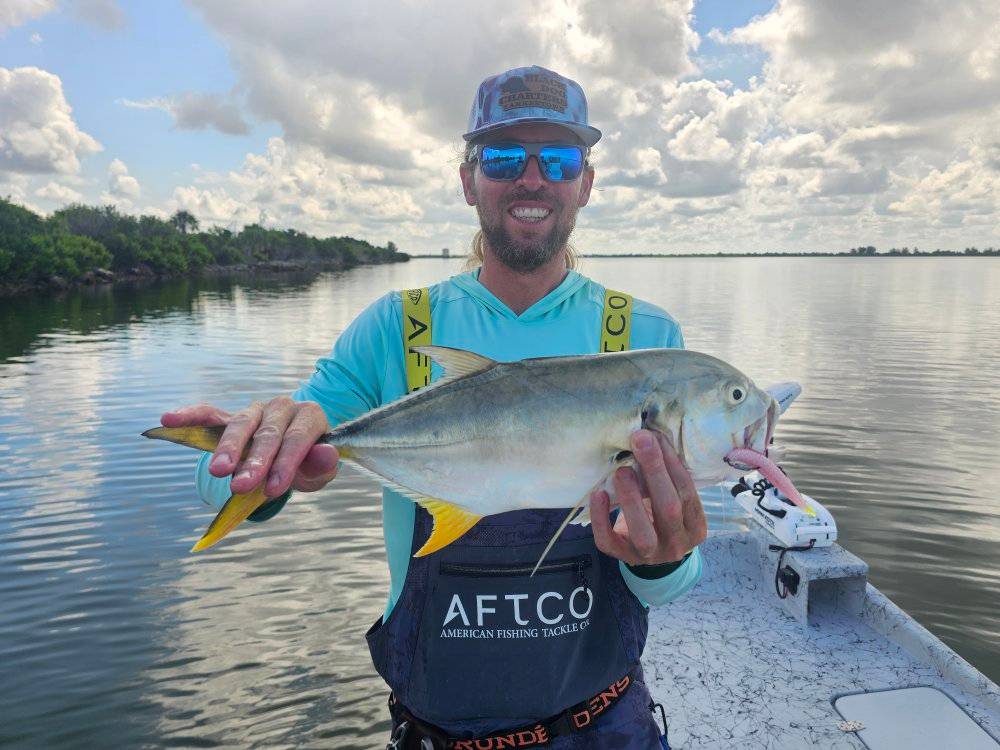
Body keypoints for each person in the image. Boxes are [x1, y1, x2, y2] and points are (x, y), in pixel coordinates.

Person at [162, 65, 707, 749]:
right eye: (505, 157)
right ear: (468, 179)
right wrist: (256, 462)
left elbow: (665, 589)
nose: (532, 179)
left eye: (559, 159)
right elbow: (244, 468)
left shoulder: (648, 343)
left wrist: (661, 558)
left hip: (604, 727)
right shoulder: (397, 328)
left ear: (586, 184)